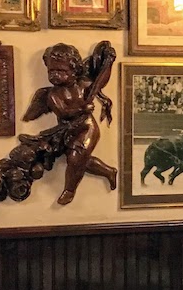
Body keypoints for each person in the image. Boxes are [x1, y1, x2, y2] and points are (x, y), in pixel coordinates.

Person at [21, 42, 117, 205]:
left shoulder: (83, 86)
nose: (55, 75)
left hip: (87, 128)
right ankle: (108, 171)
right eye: (52, 71)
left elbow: (101, 81)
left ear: (74, 71)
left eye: (61, 71)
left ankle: (69, 190)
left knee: (74, 160)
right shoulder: (52, 94)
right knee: (79, 160)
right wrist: (82, 109)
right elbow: (64, 113)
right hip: (67, 130)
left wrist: (110, 62)